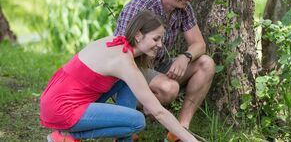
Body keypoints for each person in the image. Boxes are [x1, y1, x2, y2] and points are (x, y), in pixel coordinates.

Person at [40, 10, 198, 142]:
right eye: (155, 39)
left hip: (56, 99)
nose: (160, 45)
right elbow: (159, 112)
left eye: (161, 39)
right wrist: (191, 140)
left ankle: (124, 140)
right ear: (138, 35)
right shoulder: (124, 62)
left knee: (125, 82)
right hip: (63, 109)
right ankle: (67, 136)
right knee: (137, 121)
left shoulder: (116, 43)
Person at [114, 0, 215, 141]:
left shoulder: (184, 8)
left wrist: (185, 57)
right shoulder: (140, 7)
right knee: (169, 88)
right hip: (132, 68)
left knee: (206, 63)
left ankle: (180, 130)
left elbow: (199, 44)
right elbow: (121, 54)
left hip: (160, 66)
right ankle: (126, 120)